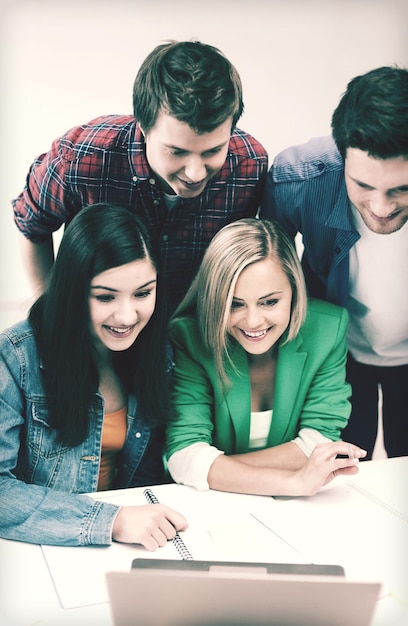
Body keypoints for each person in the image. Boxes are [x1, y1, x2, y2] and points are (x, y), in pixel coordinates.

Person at [12, 40, 268, 315]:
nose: (195, 173)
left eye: (213, 150)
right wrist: (52, 309)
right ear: (143, 127)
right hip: (94, 322)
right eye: (176, 151)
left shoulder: (249, 167)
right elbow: (32, 227)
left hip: (188, 326)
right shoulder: (79, 158)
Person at [0, 202, 187, 547]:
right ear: (71, 292)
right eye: (105, 297)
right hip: (45, 546)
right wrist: (110, 521)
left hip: (126, 543)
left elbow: (146, 474)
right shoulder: (14, 356)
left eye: (143, 293)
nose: (127, 315)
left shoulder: (157, 353)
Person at [260, 65, 408, 460]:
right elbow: (265, 271)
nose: (381, 207)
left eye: (401, 189)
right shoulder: (299, 180)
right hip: (335, 351)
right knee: (339, 468)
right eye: (363, 185)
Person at [166, 218, 366, 496]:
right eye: (234, 304)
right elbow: (184, 454)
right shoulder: (189, 337)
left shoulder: (327, 329)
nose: (253, 321)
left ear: (294, 290)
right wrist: (294, 482)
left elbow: (319, 442)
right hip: (213, 504)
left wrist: (211, 468)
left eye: (269, 301)